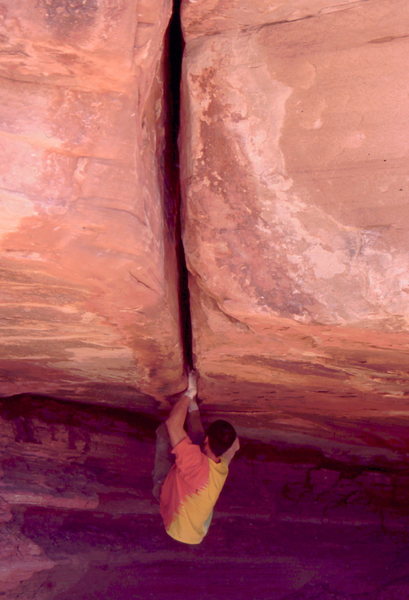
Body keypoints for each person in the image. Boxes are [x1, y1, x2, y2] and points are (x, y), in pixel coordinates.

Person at [152, 371, 240, 545]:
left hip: (176, 527)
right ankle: (192, 409)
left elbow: (173, 424)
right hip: (196, 531)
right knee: (195, 443)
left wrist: (189, 393)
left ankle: (190, 408)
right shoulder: (222, 464)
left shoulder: (197, 464)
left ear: (208, 439)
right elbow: (234, 444)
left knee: (164, 433)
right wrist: (192, 407)